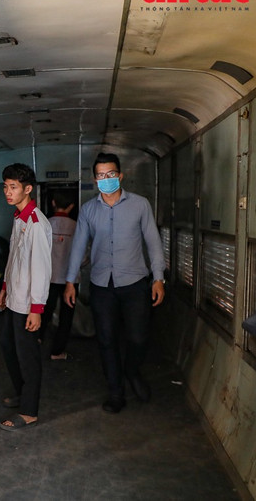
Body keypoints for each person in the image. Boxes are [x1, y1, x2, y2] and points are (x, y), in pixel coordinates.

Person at [64, 152, 165, 414]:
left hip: (135, 284)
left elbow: (153, 242)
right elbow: (78, 247)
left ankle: (132, 371)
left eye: (111, 174)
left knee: (138, 337)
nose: (106, 179)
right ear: (95, 179)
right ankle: (116, 392)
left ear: (120, 175)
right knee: (106, 340)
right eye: (101, 175)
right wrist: (71, 281)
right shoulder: (88, 210)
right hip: (101, 285)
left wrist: (158, 278)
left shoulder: (140, 205)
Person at [0, 164, 52, 431]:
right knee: (8, 345)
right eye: (6, 186)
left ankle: (29, 411)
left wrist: (37, 309)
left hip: (29, 303)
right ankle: (22, 392)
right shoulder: (19, 218)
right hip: (14, 298)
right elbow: (14, 258)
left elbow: (41, 269)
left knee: (28, 355)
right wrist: (5, 286)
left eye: (14, 187)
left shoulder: (36, 223)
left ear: (28, 189)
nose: (8, 192)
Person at [39, 193, 77, 360]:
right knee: (66, 316)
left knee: (45, 310)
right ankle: (57, 351)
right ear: (71, 207)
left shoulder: (45, 225)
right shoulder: (77, 226)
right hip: (70, 279)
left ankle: (38, 338)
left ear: (53, 202)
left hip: (49, 278)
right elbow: (83, 255)